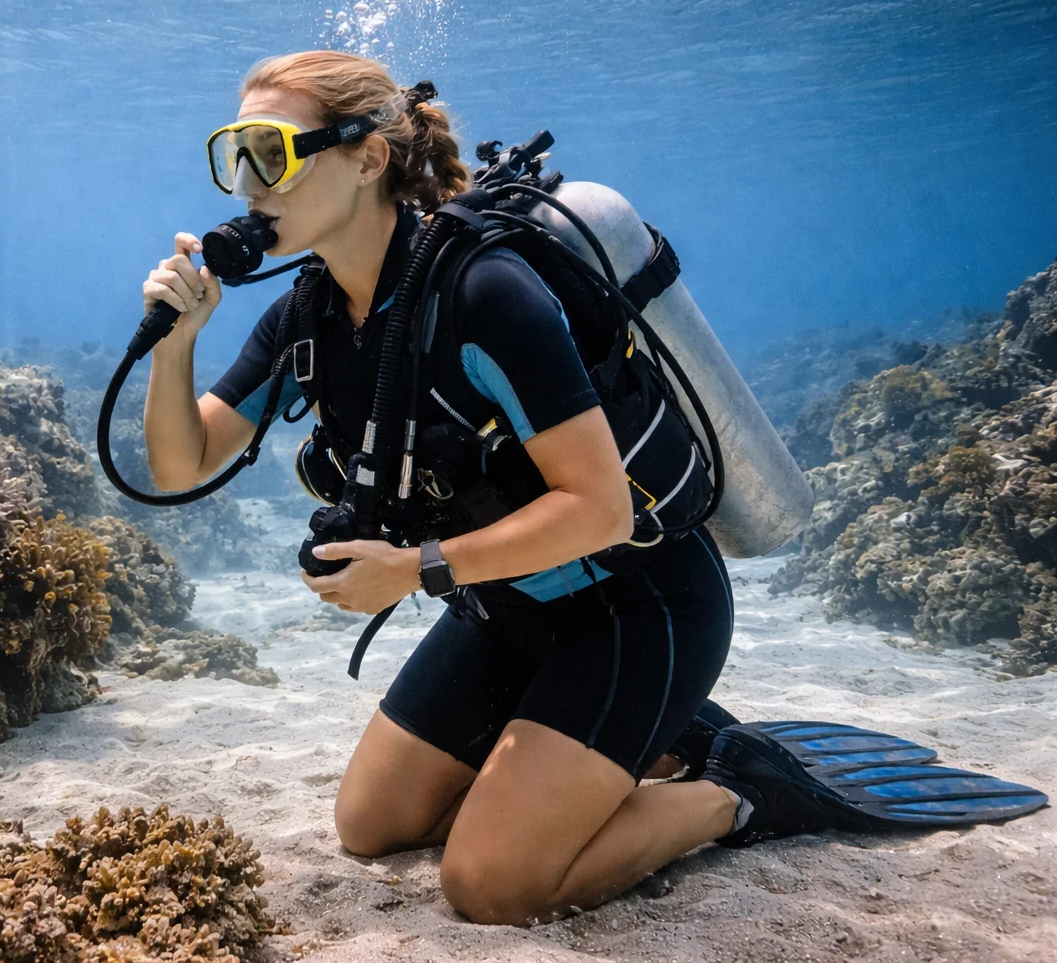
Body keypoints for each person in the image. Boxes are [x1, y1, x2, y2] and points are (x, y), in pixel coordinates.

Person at [139, 49, 740, 926]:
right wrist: (176, 343)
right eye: (235, 154)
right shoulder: (305, 313)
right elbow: (180, 465)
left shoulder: (484, 293)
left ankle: (736, 789)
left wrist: (415, 570)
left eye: (269, 150)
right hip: (502, 609)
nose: (248, 185)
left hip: (635, 606)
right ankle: (621, 748)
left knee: (492, 886)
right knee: (372, 826)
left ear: (367, 159)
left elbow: (600, 507)